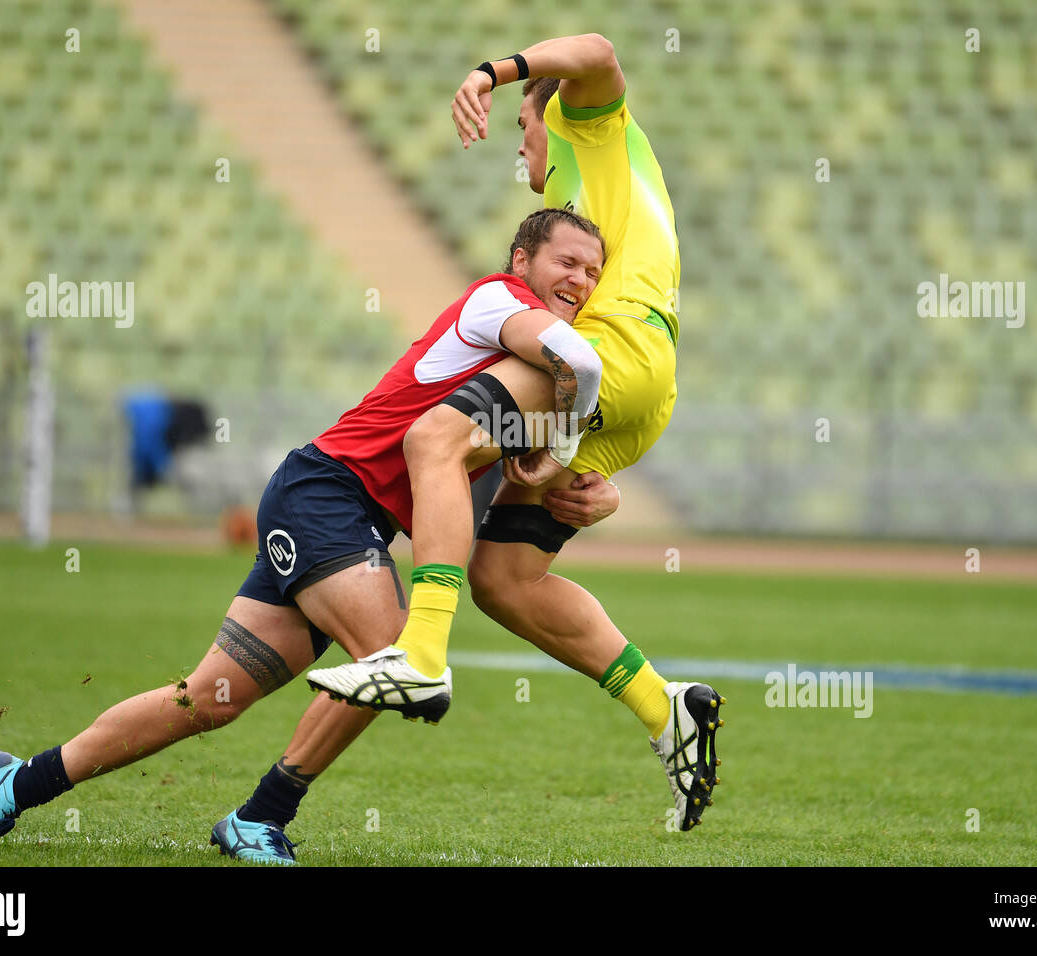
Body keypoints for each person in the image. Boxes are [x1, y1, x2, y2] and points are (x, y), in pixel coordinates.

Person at [0, 210, 611, 864]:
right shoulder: (500, 301)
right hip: (325, 498)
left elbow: (484, 496)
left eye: (593, 271)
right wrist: (569, 435)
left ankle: (19, 780)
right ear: (521, 260)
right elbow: (579, 360)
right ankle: (260, 817)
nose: (581, 280)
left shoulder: (531, 376)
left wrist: (583, 494)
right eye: (567, 261)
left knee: (207, 700)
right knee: (393, 657)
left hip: (344, 518)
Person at [308, 34, 726, 834]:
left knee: (434, 439)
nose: (523, 145)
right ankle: (664, 707)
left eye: (522, 130)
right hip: (642, 384)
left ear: (547, 113)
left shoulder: (583, 126)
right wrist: (571, 460)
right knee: (505, 578)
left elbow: (597, 49)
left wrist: (492, 72)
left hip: (612, 353)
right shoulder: (583, 219)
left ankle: (422, 654)